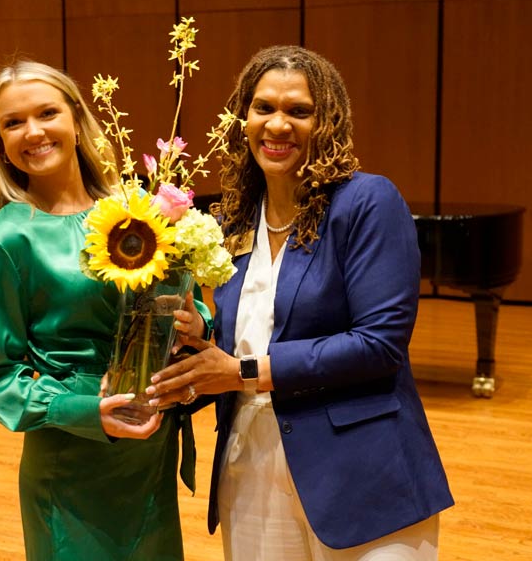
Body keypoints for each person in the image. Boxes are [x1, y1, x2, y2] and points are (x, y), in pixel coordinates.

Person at [147, 46, 454, 560]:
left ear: (328, 120)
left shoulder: (368, 202)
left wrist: (243, 370)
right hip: (250, 462)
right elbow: (237, 346)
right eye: (263, 108)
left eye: (299, 111)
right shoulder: (232, 222)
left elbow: (378, 346)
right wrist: (187, 364)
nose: (277, 125)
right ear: (242, 118)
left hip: (360, 473)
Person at [0, 59, 209, 560]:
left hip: (149, 450)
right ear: (1, 143)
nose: (32, 132)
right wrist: (83, 411)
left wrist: (195, 321)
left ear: (76, 121)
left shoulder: (134, 208)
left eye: (46, 113)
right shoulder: (8, 238)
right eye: (13, 123)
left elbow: (190, 304)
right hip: (72, 459)